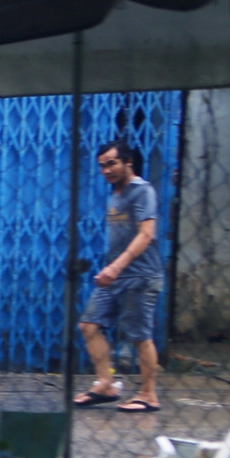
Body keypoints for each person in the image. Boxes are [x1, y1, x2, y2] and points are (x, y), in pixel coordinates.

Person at [74, 141, 162, 412]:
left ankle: (148, 395)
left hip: (140, 275)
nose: (106, 170)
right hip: (115, 275)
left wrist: (116, 267)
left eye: (111, 163)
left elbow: (146, 234)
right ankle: (106, 384)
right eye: (102, 166)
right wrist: (112, 269)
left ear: (128, 163)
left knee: (139, 336)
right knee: (89, 325)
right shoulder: (116, 194)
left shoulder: (142, 191)